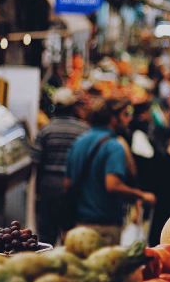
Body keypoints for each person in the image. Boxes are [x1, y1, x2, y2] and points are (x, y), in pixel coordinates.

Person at [65, 98, 156, 245]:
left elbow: (67, 183)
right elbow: (113, 185)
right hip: (105, 227)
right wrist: (141, 195)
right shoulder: (114, 146)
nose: (129, 119)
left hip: (79, 226)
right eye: (125, 115)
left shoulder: (79, 142)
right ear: (113, 119)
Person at [31, 88, 89, 245]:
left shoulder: (46, 130)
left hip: (49, 186)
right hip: (75, 188)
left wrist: (36, 192)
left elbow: (35, 162)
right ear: (73, 107)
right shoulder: (83, 130)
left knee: (47, 235)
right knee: (71, 235)